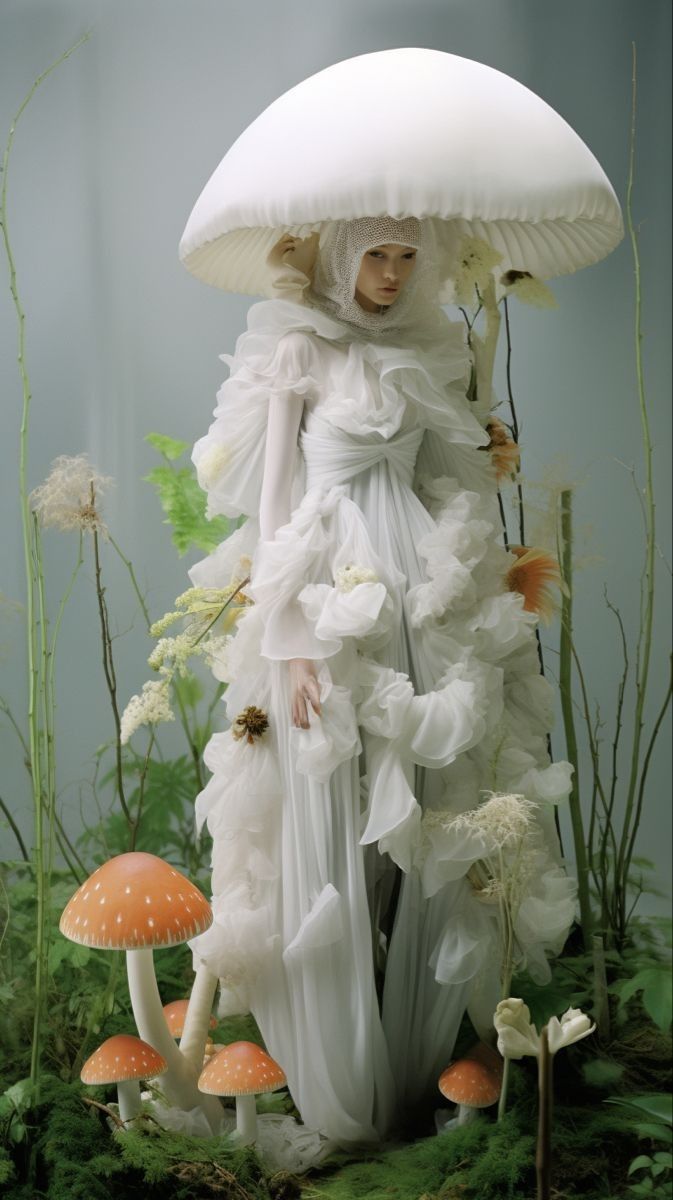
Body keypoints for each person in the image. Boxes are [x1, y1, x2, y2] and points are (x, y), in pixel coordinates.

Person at [187, 215, 575, 1145]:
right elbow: (275, 497)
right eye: (375, 255)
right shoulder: (298, 348)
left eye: (406, 257)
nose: (392, 275)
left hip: (415, 586)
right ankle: (337, 1070)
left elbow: (453, 484)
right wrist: (287, 637)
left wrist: (473, 574)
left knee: (430, 791)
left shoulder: (433, 348)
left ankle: (418, 1056)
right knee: (324, 788)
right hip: (324, 581)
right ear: (337, 255)